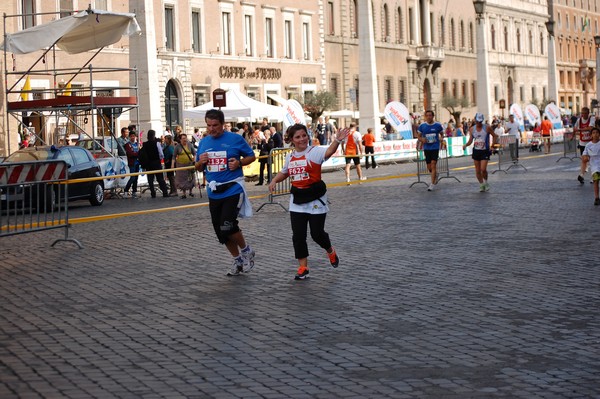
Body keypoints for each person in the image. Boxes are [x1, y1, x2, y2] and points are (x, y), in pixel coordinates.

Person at [267, 124, 348, 280]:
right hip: (297, 200)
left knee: (317, 234)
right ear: (291, 140)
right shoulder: (290, 156)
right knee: (298, 236)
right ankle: (303, 267)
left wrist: (337, 140)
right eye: (297, 137)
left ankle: (330, 250)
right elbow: (285, 172)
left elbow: (329, 152)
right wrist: (274, 181)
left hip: (315, 198)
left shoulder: (314, 152)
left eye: (304, 135)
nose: (302, 139)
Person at [194, 109, 257, 276]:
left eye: (215, 125)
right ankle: (238, 261)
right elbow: (198, 167)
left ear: (223, 124)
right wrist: (201, 162)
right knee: (221, 232)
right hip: (214, 191)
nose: (211, 129)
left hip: (233, 188)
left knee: (227, 225)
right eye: (208, 125)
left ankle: (246, 250)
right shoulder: (204, 142)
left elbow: (252, 156)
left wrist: (239, 163)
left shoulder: (235, 139)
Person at [463, 113, 498, 192]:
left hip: (485, 151)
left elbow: (495, 136)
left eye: (480, 121)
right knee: (477, 170)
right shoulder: (472, 129)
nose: (478, 123)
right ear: (475, 120)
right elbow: (471, 140)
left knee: (483, 169)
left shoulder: (487, 128)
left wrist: (492, 146)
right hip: (476, 151)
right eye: (477, 121)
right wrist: (465, 145)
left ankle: (486, 182)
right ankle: (481, 184)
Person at [417, 110, 445, 191]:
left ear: (433, 116)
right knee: (429, 167)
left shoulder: (438, 125)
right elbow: (418, 136)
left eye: (430, 115)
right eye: (427, 115)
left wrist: (441, 138)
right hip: (427, 148)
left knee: (433, 164)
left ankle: (432, 184)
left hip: (435, 147)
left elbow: (442, 134)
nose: (429, 117)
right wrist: (422, 139)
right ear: (425, 116)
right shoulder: (422, 126)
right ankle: (435, 175)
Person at [141, 130, 170, 198]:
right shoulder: (157, 143)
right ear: (154, 135)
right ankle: (164, 192)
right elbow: (161, 154)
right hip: (156, 162)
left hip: (148, 163)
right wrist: (160, 158)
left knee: (150, 179)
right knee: (160, 178)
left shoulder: (145, 144)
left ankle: (153, 193)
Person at [574, 107, 596, 184]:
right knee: (584, 160)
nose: (583, 115)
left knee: (592, 160)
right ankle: (582, 175)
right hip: (582, 143)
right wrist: (572, 135)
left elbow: (590, 128)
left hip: (591, 143)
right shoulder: (579, 120)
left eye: (584, 113)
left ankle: (593, 177)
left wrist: (580, 130)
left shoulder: (592, 119)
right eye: (582, 113)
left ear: (588, 113)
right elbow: (575, 128)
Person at [173, 134, 196, 198]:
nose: (185, 139)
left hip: (189, 164)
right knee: (182, 179)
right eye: (183, 138)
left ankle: (190, 192)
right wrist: (172, 164)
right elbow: (174, 156)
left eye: (185, 138)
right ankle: (184, 193)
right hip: (181, 165)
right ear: (180, 140)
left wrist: (194, 159)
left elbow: (194, 153)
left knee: (190, 178)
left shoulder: (189, 145)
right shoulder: (177, 146)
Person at [581, 127, 600, 205]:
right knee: (596, 181)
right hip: (594, 166)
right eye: (593, 133)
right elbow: (584, 156)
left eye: (597, 132)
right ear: (591, 135)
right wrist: (586, 159)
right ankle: (596, 197)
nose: (595, 134)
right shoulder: (588, 145)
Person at [123, 131, 140, 198]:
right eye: (131, 136)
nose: (133, 137)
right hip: (132, 163)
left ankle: (134, 191)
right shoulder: (128, 145)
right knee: (132, 177)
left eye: (134, 136)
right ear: (129, 137)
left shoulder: (137, 144)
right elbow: (130, 154)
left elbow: (139, 152)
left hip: (137, 163)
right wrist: (137, 154)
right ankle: (126, 190)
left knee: (136, 178)